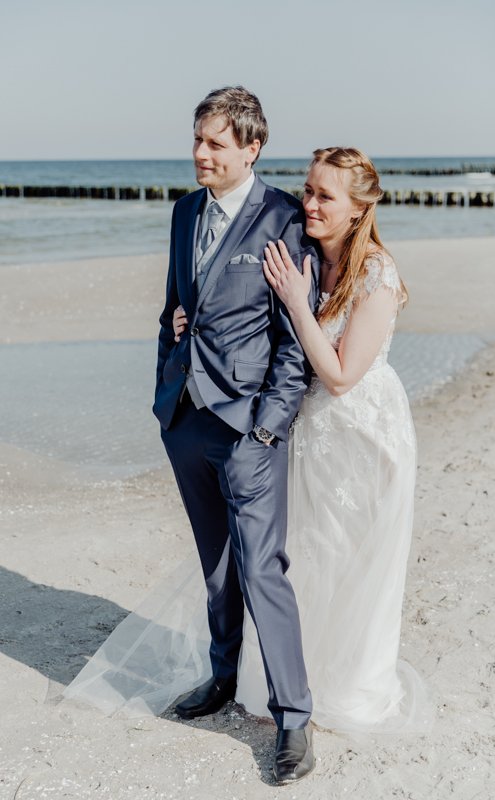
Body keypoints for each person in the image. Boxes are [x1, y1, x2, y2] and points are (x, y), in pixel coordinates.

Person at [179, 146, 433, 736]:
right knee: (309, 554)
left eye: (325, 196)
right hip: (310, 430)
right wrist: (191, 325)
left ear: (358, 208)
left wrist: (298, 303)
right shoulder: (307, 255)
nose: (308, 203)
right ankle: (293, 677)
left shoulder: (376, 272)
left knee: (351, 559)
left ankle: (346, 684)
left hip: (364, 433)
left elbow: (341, 376)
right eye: (307, 189)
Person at [154, 86, 322, 782]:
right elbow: (172, 305)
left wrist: (266, 431)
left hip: (249, 427)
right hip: (185, 418)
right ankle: (223, 678)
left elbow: (293, 342)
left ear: (251, 148)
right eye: (197, 139)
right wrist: (168, 361)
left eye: (215, 143)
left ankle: (292, 720)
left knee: (262, 570)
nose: (199, 154)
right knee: (217, 567)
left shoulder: (284, 217)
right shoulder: (183, 209)